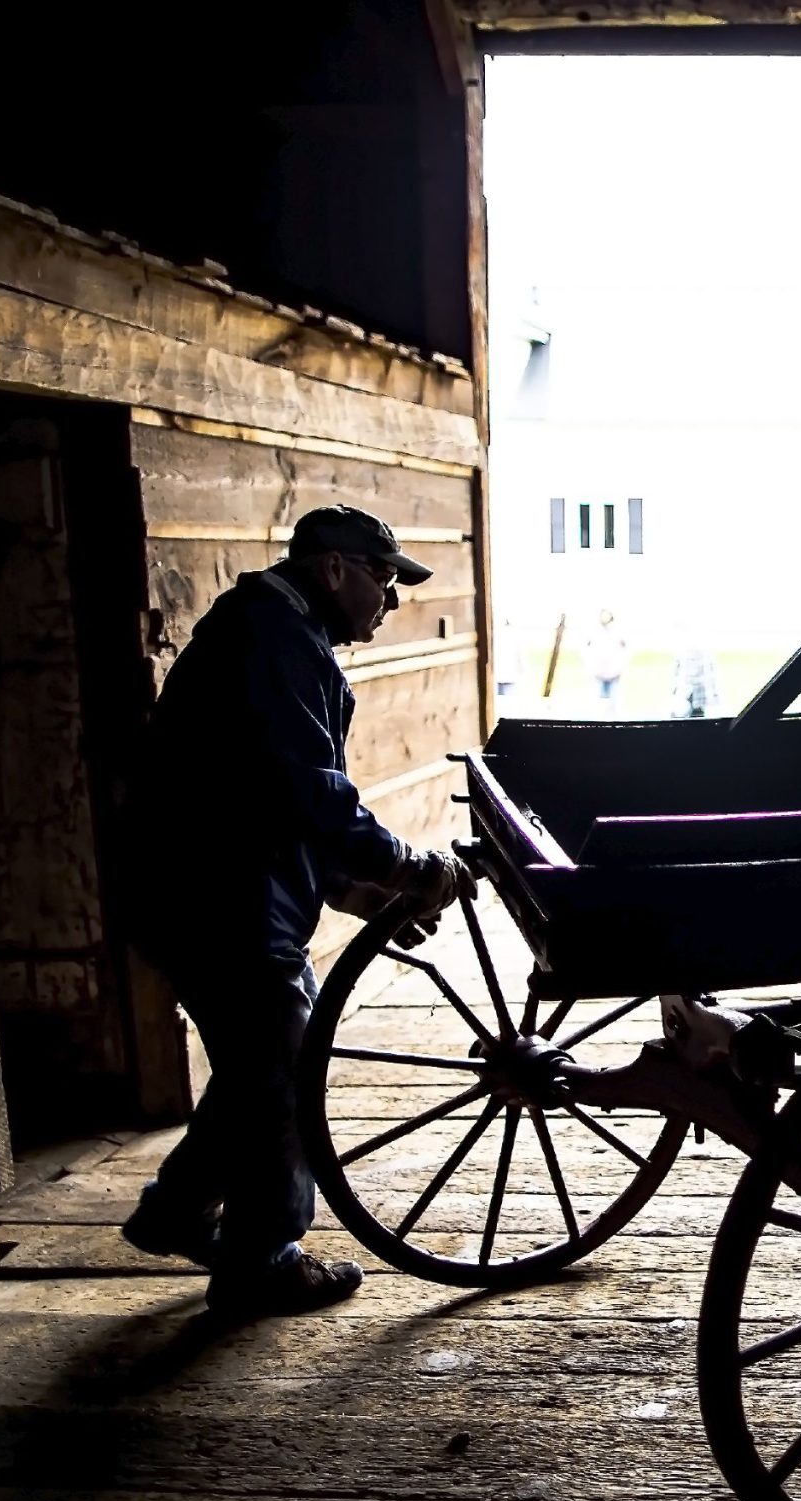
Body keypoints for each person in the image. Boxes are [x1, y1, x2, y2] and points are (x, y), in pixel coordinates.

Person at [116, 505, 477, 1318]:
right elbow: (309, 792)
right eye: (383, 580)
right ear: (334, 570)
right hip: (211, 896)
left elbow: (262, 800)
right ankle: (261, 1261)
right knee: (282, 1063)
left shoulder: (277, 631)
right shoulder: (272, 639)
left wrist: (350, 890)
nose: (389, 602)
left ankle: (176, 1210)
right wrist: (410, 865)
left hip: (214, 885)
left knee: (262, 1061)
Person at [583, 608, 629, 712]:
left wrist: (620, 668)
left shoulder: (618, 632)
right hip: (598, 674)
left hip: (614, 674)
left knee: (614, 705)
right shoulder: (595, 632)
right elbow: (587, 651)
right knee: (597, 706)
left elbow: (626, 650)